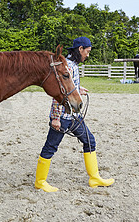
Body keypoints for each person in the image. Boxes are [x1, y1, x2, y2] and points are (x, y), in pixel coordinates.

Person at [34, 36, 114, 192]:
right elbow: (59, 94)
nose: (88, 55)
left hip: (73, 116)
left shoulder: (72, 65)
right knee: (50, 147)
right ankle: (40, 181)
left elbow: (70, 88)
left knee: (89, 140)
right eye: (88, 52)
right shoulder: (67, 66)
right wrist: (56, 118)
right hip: (62, 117)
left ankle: (94, 178)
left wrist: (78, 89)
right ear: (80, 49)